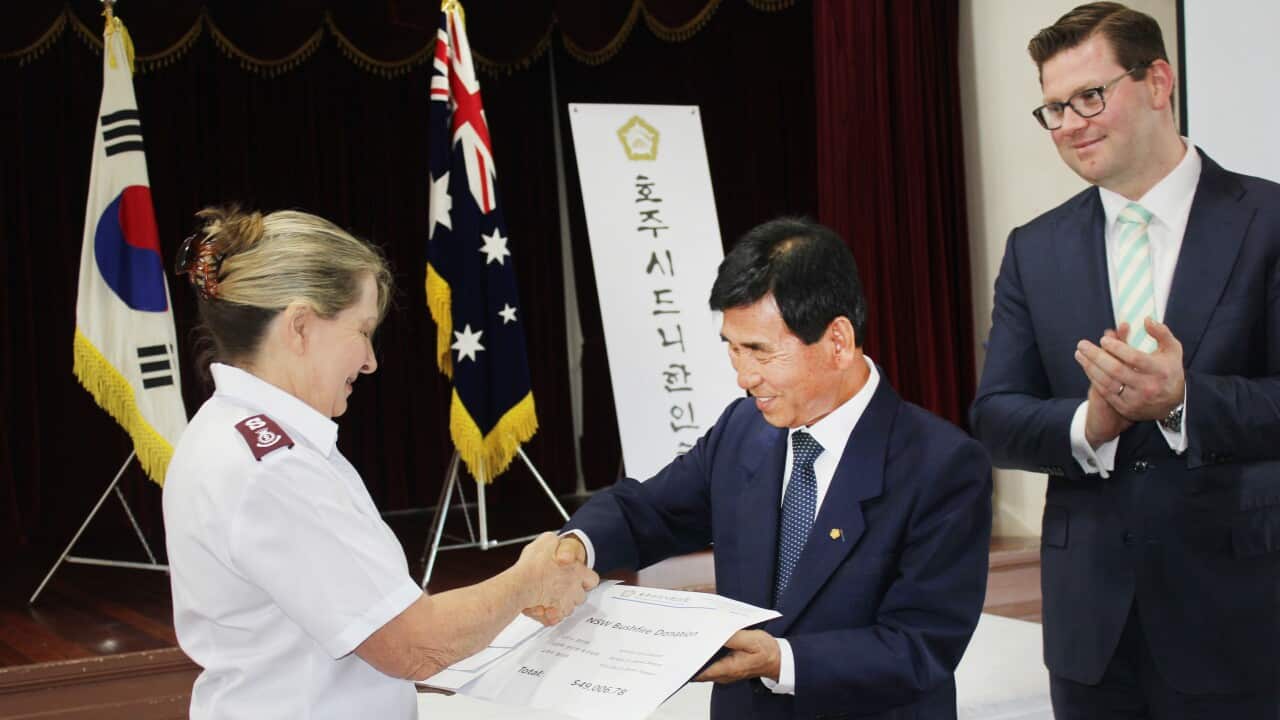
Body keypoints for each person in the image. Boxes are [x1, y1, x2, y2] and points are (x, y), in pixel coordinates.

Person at [534, 218, 992, 719]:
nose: (743, 377)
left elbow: (920, 646)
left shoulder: (941, 465)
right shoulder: (743, 430)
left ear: (837, 341)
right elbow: (649, 511)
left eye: (759, 351)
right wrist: (574, 547)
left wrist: (781, 660)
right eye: (732, 348)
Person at [163, 206, 598, 719]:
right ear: (300, 326)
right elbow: (414, 646)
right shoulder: (273, 467)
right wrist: (529, 579)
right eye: (362, 330)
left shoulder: (231, 430)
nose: (370, 360)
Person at [970, 3, 1280, 716]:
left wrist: (1183, 401)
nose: (1071, 123)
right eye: (1053, 108)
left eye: (1089, 96)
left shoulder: (1266, 222)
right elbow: (995, 414)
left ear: (1159, 81)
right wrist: (1091, 422)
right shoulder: (1035, 249)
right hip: (1091, 628)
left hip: (1240, 618)